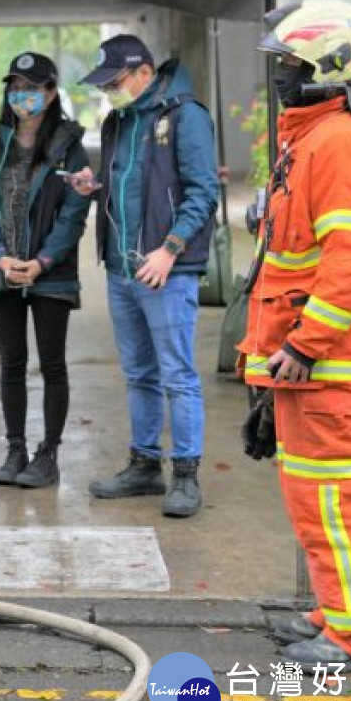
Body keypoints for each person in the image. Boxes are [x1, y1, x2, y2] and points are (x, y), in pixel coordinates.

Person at [241, 0, 351, 669]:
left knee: (335, 502)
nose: (280, 76)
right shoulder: (313, 138)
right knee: (315, 499)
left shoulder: (335, 143)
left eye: (291, 64)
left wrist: (305, 344)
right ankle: (338, 611)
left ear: (327, 68)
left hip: (330, 370)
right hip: (311, 370)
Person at [73, 34, 219, 518]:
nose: (109, 93)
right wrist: (96, 187)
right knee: (139, 374)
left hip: (166, 273)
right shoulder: (118, 120)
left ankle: (186, 476)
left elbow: (203, 193)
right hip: (121, 268)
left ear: (143, 72)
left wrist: (169, 251)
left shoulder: (185, 116)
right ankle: (143, 465)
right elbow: (132, 186)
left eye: (115, 83)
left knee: (177, 375)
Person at [0, 52, 90, 488]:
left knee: (52, 364)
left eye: (33, 87)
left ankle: (49, 454)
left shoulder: (69, 147)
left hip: (50, 274)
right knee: (11, 363)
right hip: (2, 271)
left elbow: (75, 212)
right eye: (16, 87)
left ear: (52, 93)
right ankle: (15, 447)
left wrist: (42, 261)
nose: (22, 95)